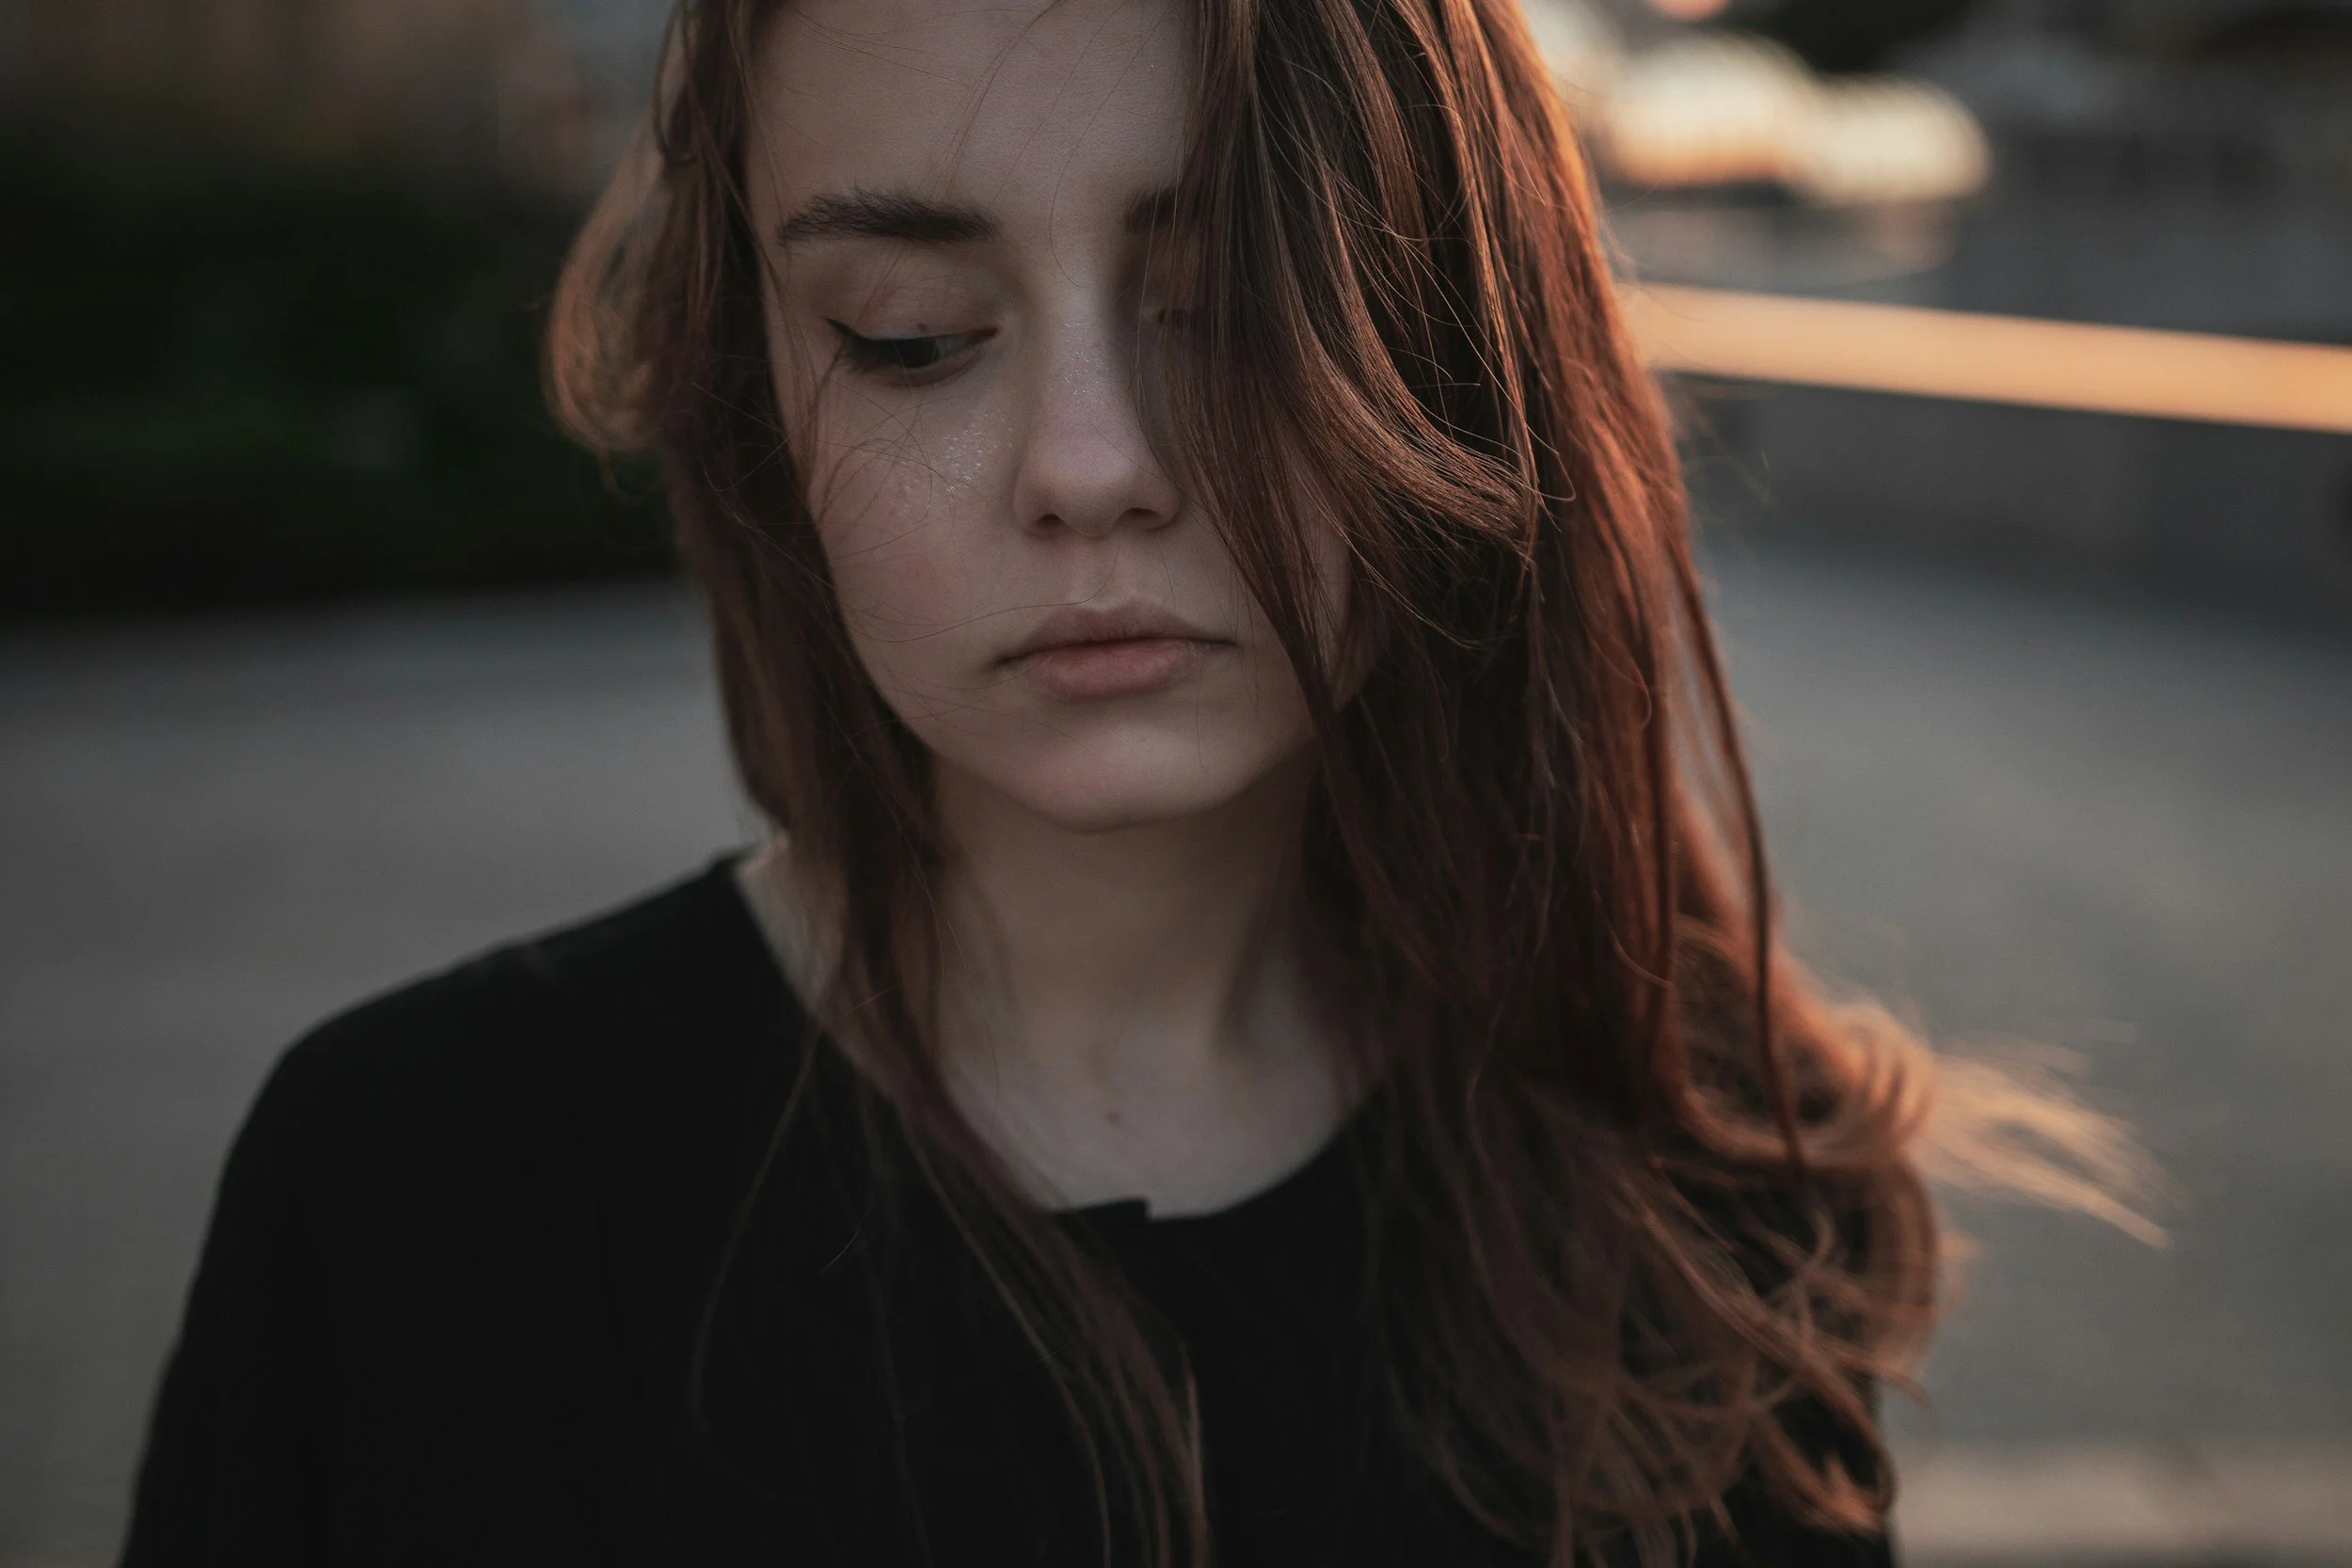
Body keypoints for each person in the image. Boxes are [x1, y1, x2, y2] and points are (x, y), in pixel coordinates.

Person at [119, 0, 2140, 1563]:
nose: (1086, 460)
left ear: (1446, 343)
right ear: (761, 404)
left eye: (1221, 300)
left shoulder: (1708, 1224)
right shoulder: (413, 1201)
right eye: (911, 337)